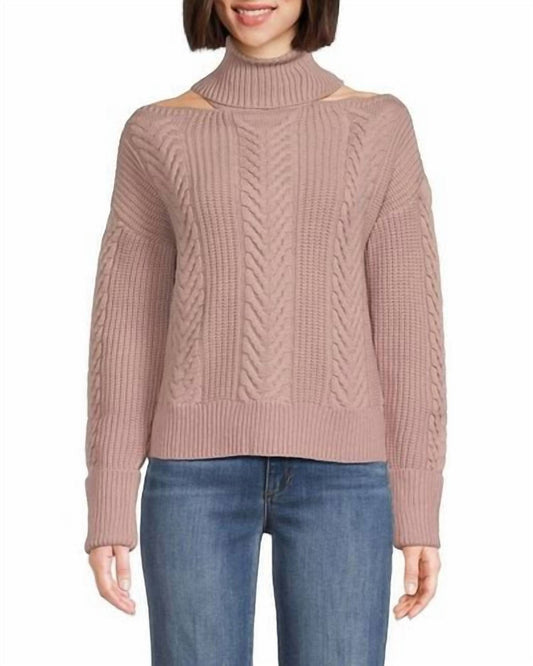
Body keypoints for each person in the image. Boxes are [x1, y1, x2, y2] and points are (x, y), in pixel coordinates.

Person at [84, 0, 447, 664]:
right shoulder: (155, 131)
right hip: (192, 476)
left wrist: (418, 502)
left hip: (345, 477)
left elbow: (408, 328)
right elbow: (128, 325)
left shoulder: (379, 126)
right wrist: (109, 494)